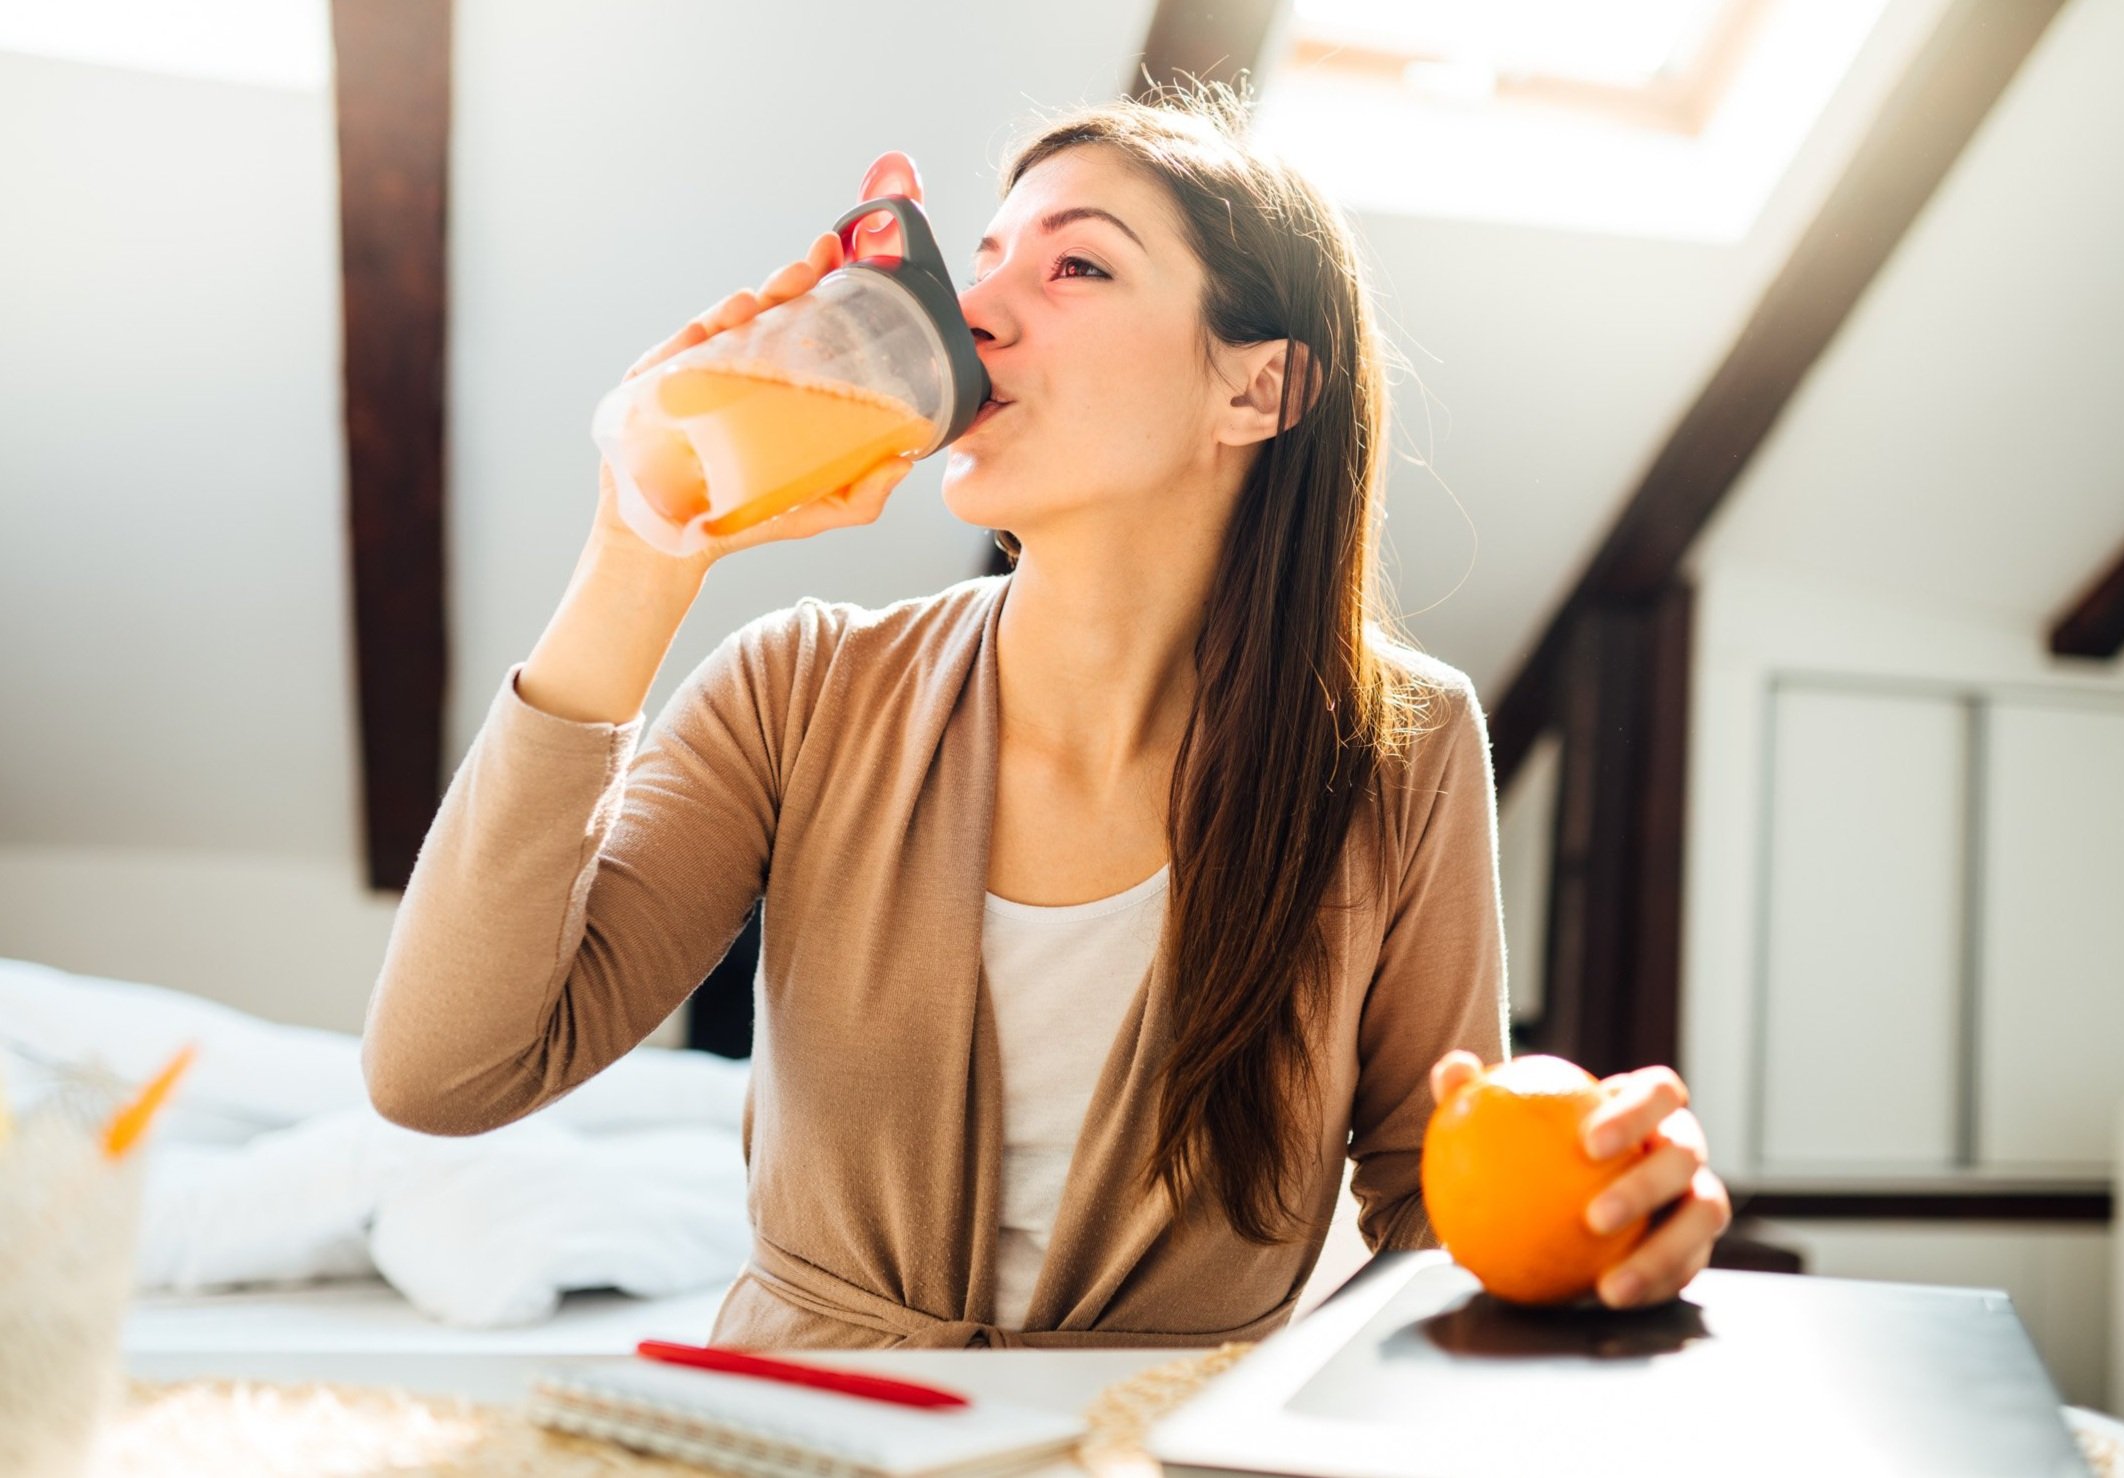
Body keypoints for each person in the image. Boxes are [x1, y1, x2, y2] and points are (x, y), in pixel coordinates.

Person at [361, 83, 1731, 1350]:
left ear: (1260, 387)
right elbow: (442, 1072)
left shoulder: (1400, 751)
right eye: (985, 263)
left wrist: (1608, 1224)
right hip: (807, 1439)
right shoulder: (798, 692)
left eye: (1075, 264)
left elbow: (1437, 1213)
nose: (978, 314)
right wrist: (643, 547)